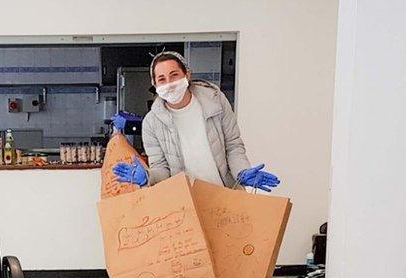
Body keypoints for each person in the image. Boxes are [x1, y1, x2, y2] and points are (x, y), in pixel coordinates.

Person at [112, 51, 280, 192]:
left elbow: (233, 145)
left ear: (187, 74)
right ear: (155, 84)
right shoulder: (151, 123)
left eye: (174, 75)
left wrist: (242, 172)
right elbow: (162, 168)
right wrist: (149, 176)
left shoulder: (215, 101)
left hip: (225, 193)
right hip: (187, 201)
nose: (169, 84)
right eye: (162, 79)